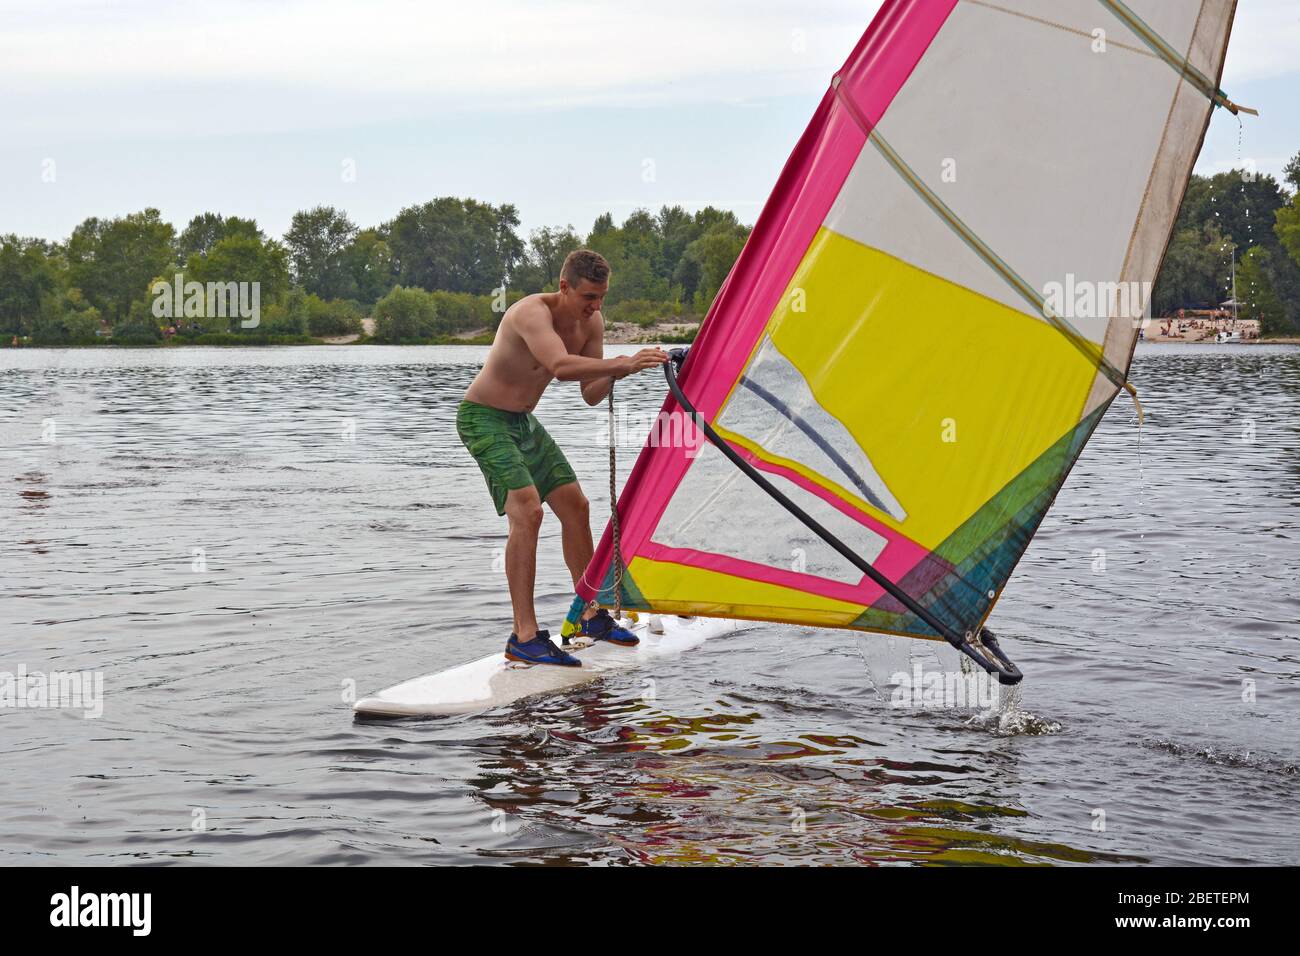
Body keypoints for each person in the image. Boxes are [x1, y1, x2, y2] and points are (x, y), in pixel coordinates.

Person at [457, 249, 668, 666]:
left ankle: (589, 615)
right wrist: (622, 363)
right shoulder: (530, 313)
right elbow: (558, 365)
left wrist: (623, 370)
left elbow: (589, 392)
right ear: (564, 286)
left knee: (576, 506)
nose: (595, 306)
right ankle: (524, 636)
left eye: (602, 298)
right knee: (528, 511)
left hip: (523, 424)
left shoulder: (592, 321)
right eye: (589, 296)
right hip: (483, 418)